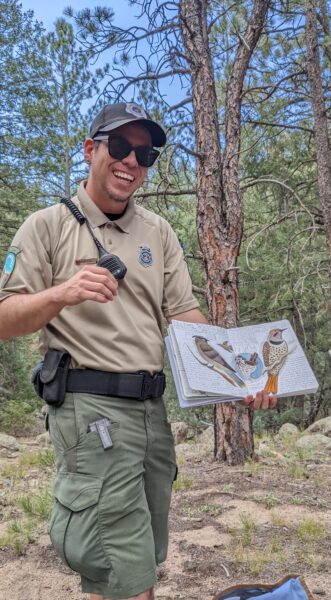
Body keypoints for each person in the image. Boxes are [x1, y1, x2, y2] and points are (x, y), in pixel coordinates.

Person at [0, 102, 276, 600]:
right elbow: (4, 318)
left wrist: (241, 380)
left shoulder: (158, 232)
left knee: (130, 561)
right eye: (121, 147)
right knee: (129, 572)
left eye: (144, 154)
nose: (132, 162)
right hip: (91, 412)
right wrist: (61, 293)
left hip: (151, 413)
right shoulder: (46, 226)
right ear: (91, 150)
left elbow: (187, 320)